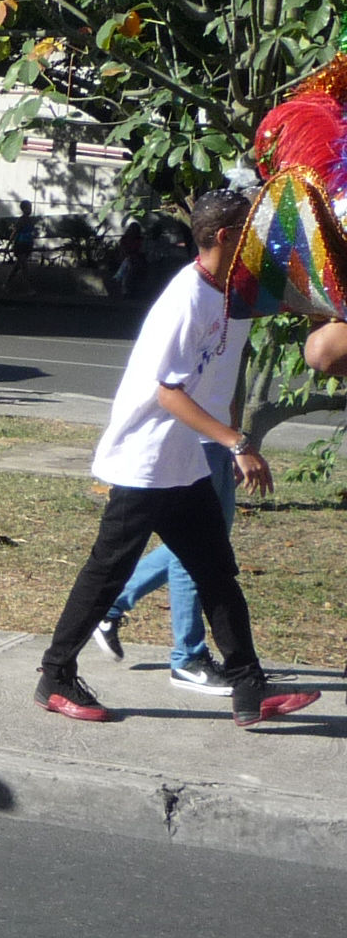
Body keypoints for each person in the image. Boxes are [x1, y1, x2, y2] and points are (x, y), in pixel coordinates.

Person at [34, 187, 319, 728]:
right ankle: (55, 675)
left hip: (184, 461)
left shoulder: (234, 294)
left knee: (216, 572)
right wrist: (238, 444)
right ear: (228, 238)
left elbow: (224, 372)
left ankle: (248, 686)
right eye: (254, 233)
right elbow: (168, 391)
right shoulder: (186, 299)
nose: (263, 243)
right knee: (106, 573)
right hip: (144, 462)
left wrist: (227, 435)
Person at [89, 442, 239, 694]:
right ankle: (187, 659)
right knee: (195, 547)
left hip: (216, 445)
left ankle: (110, 604)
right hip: (196, 446)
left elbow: (226, 402)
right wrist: (239, 444)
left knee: (206, 543)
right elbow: (177, 401)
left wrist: (231, 444)